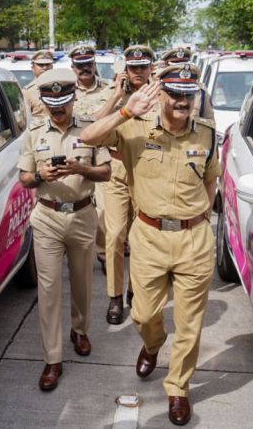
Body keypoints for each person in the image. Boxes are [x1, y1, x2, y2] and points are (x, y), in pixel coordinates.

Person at [81, 63, 219, 425]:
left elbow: (210, 180)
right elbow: (88, 138)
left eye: (188, 96)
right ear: (160, 94)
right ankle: (152, 344)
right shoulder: (135, 128)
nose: (181, 102)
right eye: (173, 94)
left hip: (194, 239)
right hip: (149, 236)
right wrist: (125, 110)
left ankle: (178, 388)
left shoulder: (206, 134)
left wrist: (200, 217)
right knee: (143, 314)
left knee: (189, 324)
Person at [17, 68, 112, 391]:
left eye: (63, 102)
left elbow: (106, 173)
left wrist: (80, 167)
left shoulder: (90, 130)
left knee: (83, 283)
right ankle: (52, 358)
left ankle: (80, 330)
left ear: (73, 99)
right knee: (49, 288)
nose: (58, 108)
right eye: (51, 102)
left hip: (83, 215)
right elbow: (25, 179)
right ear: (43, 102)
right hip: (47, 218)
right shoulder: (34, 133)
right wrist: (42, 175)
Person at [93, 44, 156, 324]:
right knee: (115, 234)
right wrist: (118, 97)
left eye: (143, 67)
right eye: (133, 68)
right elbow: (93, 129)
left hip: (149, 173)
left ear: (151, 68)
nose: (138, 73)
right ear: (125, 70)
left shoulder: (161, 93)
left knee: (141, 238)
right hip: (118, 171)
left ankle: (133, 290)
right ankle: (115, 297)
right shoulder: (113, 93)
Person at [67, 44, 113, 276]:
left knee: (103, 211)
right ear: (72, 67)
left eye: (89, 64)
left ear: (95, 65)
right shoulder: (64, 91)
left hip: (103, 155)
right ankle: (79, 252)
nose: (85, 68)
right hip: (74, 156)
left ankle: (104, 254)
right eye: (80, 65)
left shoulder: (109, 89)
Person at [160, 46, 214, 122]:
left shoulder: (201, 91)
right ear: (166, 66)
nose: (181, 68)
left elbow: (209, 120)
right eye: (175, 66)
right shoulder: (156, 90)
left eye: (184, 64)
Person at [22, 49, 55, 121]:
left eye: (47, 64)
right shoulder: (27, 92)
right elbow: (24, 121)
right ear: (32, 68)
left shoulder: (62, 87)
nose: (45, 68)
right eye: (41, 65)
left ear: (52, 67)